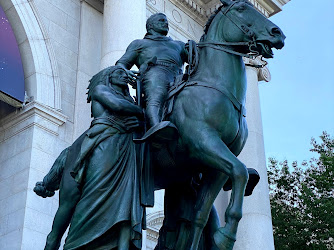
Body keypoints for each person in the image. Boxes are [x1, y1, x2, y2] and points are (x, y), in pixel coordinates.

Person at [34, 66, 144, 250]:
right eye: (119, 73)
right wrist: (143, 111)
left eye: (126, 74)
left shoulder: (130, 100)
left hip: (123, 148)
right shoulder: (101, 89)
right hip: (102, 141)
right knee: (78, 202)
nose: (124, 75)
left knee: (124, 198)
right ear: (108, 77)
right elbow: (117, 106)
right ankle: (53, 243)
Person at [116, 13, 188, 141]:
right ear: (150, 26)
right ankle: (156, 127)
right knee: (156, 95)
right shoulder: (139, 44)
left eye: (166, 21)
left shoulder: (179, 45)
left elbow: (197, 57)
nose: (165, 23)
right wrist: (125, 72)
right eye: (161, 20)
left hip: (179, 76)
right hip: (155, 72)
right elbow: (121, 64)